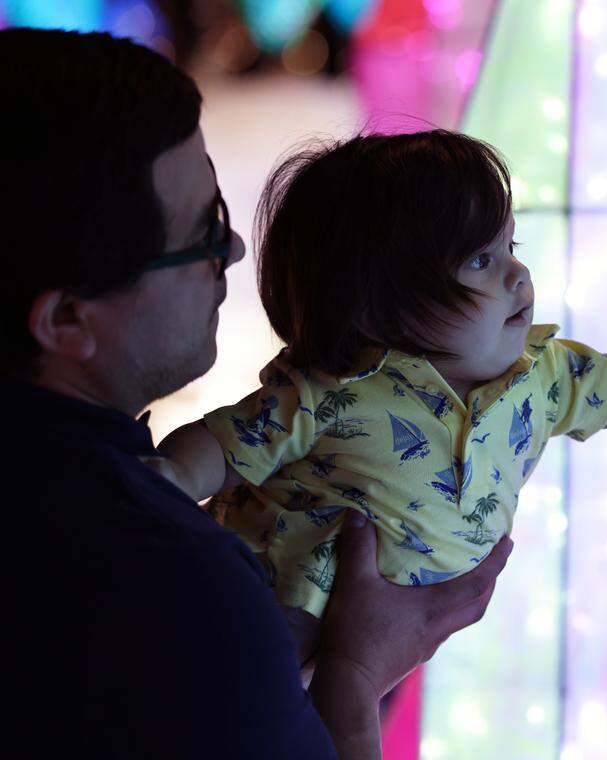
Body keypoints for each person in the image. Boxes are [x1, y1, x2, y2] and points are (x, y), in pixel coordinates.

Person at [3, 28, 511, 759]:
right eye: (204, 231)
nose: (234, 251)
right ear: (67, 319)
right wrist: (358, 669)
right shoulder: (173, 587)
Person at [152, 130, 607, 656]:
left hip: (396, 633)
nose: (517, 273)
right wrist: (172, 477)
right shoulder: (338, 387)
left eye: (510, 246)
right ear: (377, 301)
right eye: (480, 261)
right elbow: (224, 440)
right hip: (270, 607)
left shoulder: (542, 376)